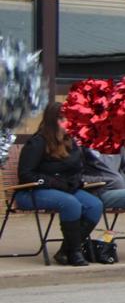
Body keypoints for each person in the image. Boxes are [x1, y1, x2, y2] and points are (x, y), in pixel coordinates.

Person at [16, 103, 102, 267]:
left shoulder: (70, 142)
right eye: (66, 118)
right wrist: (53, 182)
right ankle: (76, 253)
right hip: (32, 191)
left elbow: (77, 169)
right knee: (70, 203)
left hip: (64, 189)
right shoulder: (37, 142)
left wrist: (74, 181)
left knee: (95, 205)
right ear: (54, 120)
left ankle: (65, 251)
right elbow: (26, 175)